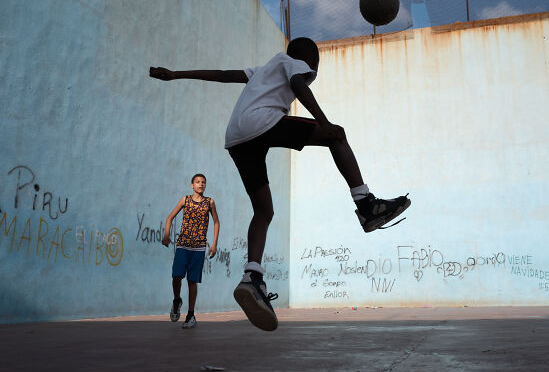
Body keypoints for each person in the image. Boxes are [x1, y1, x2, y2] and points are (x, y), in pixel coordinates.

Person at [150, 37, 410, 331]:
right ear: (312, 60)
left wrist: (176, 74)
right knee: (336, 135)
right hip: (262, 125)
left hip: (236, 138)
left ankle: (252, 276)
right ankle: (366, 205)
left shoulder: (264, 70)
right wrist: (323, 122)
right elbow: (299, 85)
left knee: (264, 211)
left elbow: (224, 75)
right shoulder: (295, 63)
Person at [162, 173, 220, 329]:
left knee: (192, 281)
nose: (200, 184)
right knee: (176, 276)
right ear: (192, 185)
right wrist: (166, 235)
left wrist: (214, 244)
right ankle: (176, 300)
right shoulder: (185, 200)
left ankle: (190, 315)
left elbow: (216, 222)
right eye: (197, 182)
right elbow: (169, 218)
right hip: (182, 245)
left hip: (199, 248)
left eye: (203, 182)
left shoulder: (210, 202)